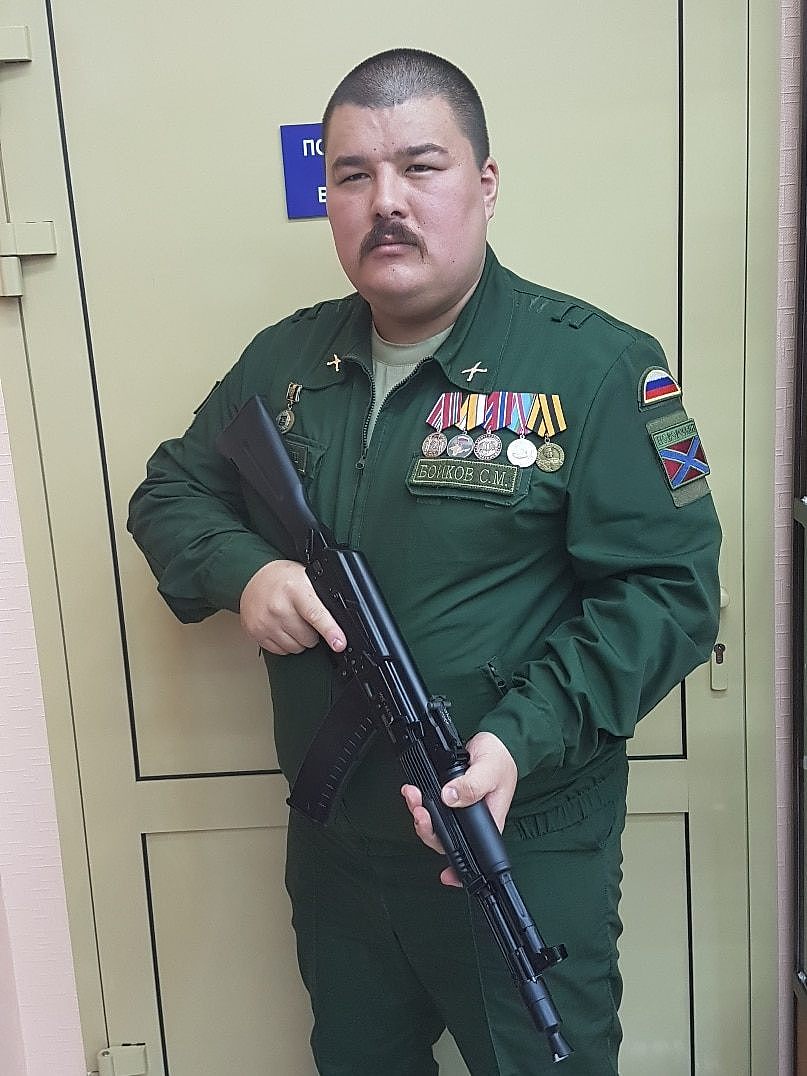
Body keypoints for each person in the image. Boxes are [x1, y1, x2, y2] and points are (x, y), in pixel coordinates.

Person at [128, 48, 721, 1076]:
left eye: (421, 167)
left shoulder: (600, 367)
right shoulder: (287, 363)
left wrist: (514, 738)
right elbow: (171, 491)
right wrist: (246, 574)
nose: (385, 202)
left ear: (486, 184)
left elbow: (669, 596)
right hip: (341, 856)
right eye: (353, 175)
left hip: (516, 841)